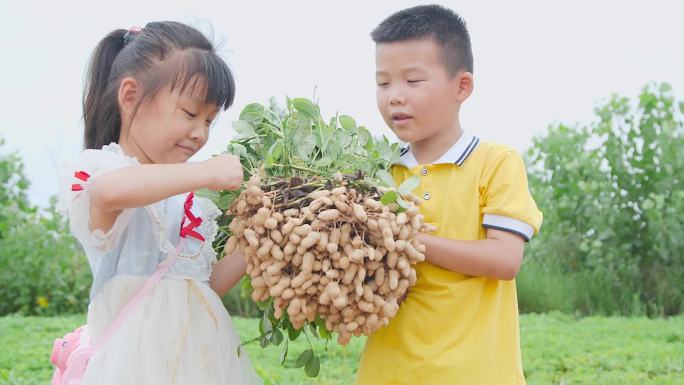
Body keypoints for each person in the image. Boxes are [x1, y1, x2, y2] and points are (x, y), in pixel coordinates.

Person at [59, 21, 261, 385]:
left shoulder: (193, 202)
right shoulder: (101, 171)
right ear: (131, 95)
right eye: (189, 114)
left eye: (210, 121)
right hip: (132, 370)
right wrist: (206, 173)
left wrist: (256, 243)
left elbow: (202, 286)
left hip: (200, 365)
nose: (200, 133)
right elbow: (109, 193)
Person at [355, 5, 543, 385]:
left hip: (475, 373)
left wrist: (409, 239)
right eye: (383, 82)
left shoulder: (496, 163)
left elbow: (504, 259)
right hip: (386, 373)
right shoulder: (375, 172)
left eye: (412, 81)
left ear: (462, 87)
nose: (394, 97)